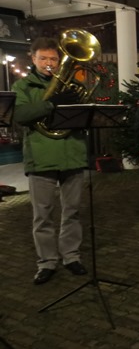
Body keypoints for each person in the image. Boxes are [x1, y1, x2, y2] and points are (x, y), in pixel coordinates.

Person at [13, 37, 88, 285]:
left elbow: (83, 117)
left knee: (72, 212)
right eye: (43, 58)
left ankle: (71, 256)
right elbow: (21, 114)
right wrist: (50, 104)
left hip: (72, 154)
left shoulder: (71, 84)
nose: (49, 63)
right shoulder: (23, 86)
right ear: (33, 59)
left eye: (54, 59)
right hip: (41, 157)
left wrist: (76, 104)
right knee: (42, 215)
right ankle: (46, 262)